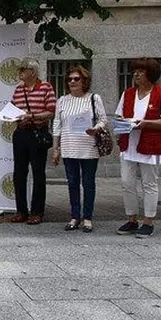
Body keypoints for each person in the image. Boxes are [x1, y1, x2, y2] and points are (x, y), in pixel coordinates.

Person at [114, 58, 161, 238]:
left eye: (141, 71)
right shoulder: (128, 94)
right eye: (135, 71)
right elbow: (118, 116)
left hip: (150, 145)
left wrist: (146, 123)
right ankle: (132, 219)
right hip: (129, 145)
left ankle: (148, 221)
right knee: (127, 183)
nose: (136, 74)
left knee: (149, 183)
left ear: (151, 74)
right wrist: (122, 124)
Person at [52, 66, 107, 233]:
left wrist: (96, 129)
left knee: (88, 183)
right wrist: (56, 148)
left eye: (76, 78)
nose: (72, 82)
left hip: (88, 147)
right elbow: (57, 124)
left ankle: (88, 218)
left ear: (84, 81)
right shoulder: (62, 100)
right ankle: (75, 217)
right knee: (72, 183)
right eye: (69, 79)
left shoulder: (94, 98)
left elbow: (103, 119)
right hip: (69, 147)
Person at [9, 57, 56, 225]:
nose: (20, 72)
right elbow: (13, 108)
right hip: (21, 133)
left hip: (37, 133)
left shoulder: (46, 87)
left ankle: (37, 212)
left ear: (32, 72)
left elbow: (51, 111)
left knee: (38, 173)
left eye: (23, 69)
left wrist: (32, 116)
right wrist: (13, 117)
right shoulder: (18, 89)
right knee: (19, 173)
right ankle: (21, 211)